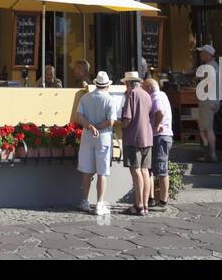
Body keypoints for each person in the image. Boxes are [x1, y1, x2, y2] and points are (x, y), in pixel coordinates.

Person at [74, 70, 116, 216]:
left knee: (87, 170)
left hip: (87, 136)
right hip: (103, 137)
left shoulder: (86, 97)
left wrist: (91, 127)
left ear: (96, 84)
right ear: (107, 86)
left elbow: (79, 117)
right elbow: (111, 121)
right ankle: (99, 203)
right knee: (102, 172)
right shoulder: (110, 99)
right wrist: (97, 127)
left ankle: (85, 201)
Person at [120, 71, 153, 216]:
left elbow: (127, 119)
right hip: (147, 136)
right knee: (145, 171)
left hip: (134, 137)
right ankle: (145, 205)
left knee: (136, 171)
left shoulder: (132, 94)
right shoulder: (146, 94)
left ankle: (139, 205)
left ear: (128, 83)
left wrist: (119, 124)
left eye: (125, 84)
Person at [142, 75, 174, 208]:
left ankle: (163, 201)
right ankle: (153, 199)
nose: (143, 92)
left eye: (144, 89)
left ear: (149, 88)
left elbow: (160, 111)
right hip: (163, 136)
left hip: (160, 136)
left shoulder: (155, 97)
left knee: (161, 169)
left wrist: (156, 125)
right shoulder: (163, 95)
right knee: (153, 168)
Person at [194, 44, 221, 162]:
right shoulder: (215, 66)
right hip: (213, 100)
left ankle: (210, 154)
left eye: (203, 52)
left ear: (208, 55)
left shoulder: (209, 68)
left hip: (207, 100)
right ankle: (208, 152)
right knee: (205, 127)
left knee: (206, 128)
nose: (201, 54)